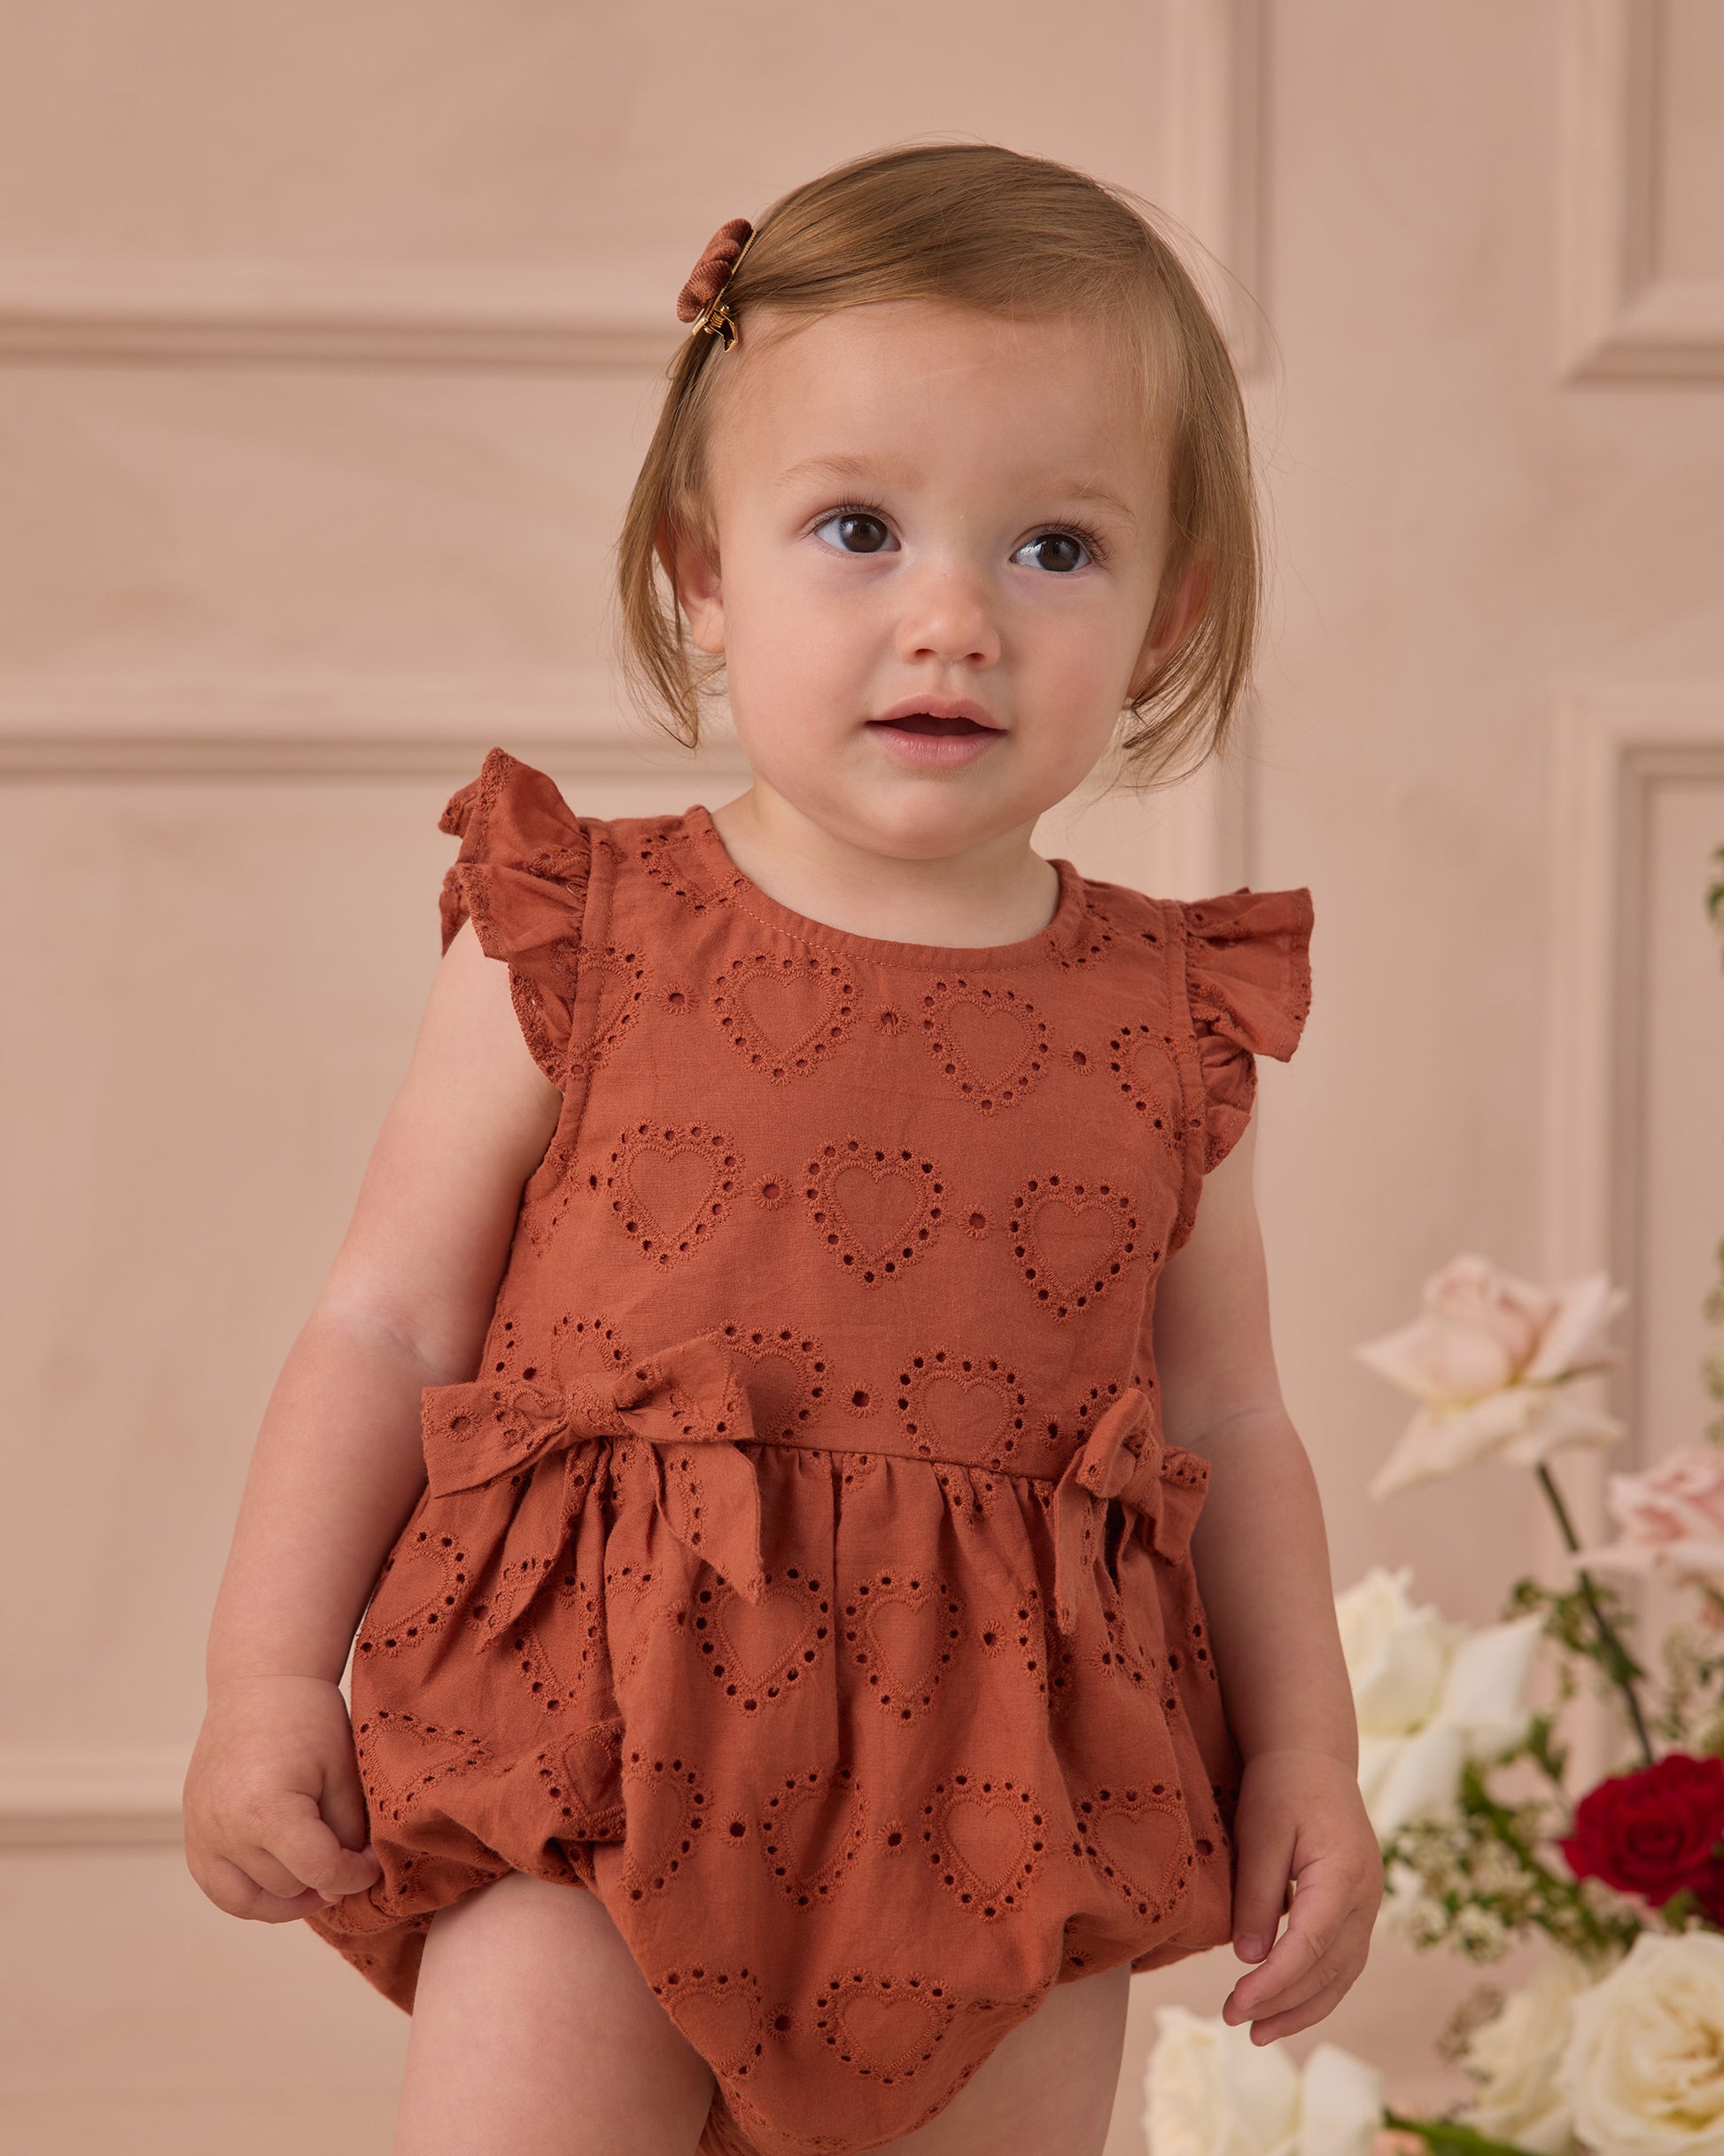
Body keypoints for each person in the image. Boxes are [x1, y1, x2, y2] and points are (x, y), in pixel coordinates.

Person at [182, 142, 1380, 2156]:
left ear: (1168, 614)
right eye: (857, 528)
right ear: (704, 572)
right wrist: (265, 1676)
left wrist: (1305, 1756)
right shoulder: (579, 930)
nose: (951, 619)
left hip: (1012, 1801)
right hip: (592, 1740)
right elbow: (385, 1324)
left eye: (1053, 547)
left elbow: (1228, 1418)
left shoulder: (1168, 1020)